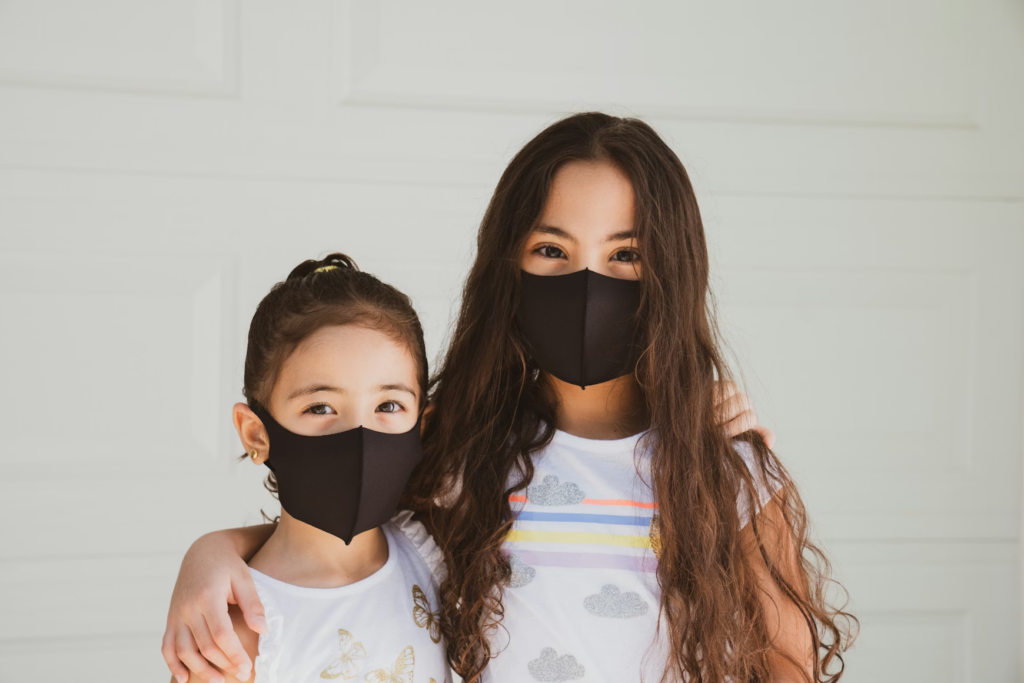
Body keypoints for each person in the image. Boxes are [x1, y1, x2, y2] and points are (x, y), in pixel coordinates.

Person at [163, 113, 853, 683]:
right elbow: (332, 530)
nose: (588, 281)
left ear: (670, 272)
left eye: (626, 255)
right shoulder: (460, 455)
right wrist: (211, 553)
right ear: (509, 264)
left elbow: (789, 669)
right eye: (553, 249)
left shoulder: (724, 476)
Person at [177, 253, 450, 683]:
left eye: (388, 405)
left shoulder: (432, 554)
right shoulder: (240, 633)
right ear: (255, 434)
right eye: (320, 407)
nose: (360, 434)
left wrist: (209, 549)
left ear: (422, 425)